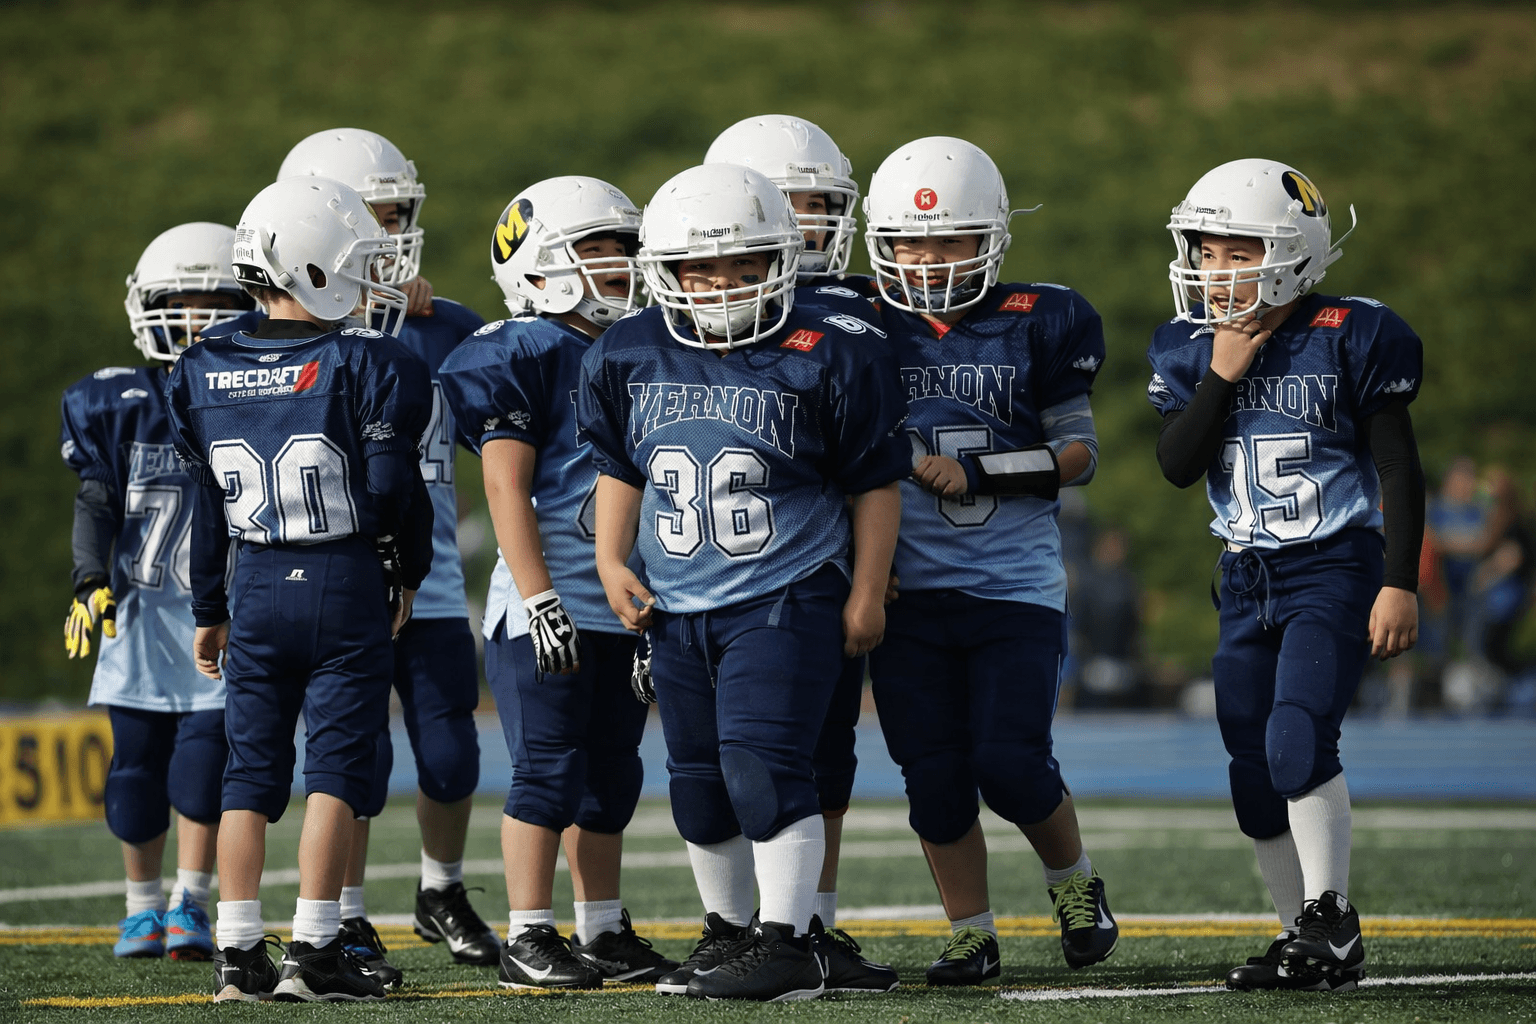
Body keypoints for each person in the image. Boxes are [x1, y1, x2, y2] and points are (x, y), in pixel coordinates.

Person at [578, 163, 909, 1002]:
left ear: (780, 262)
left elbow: (875, 483)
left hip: (786, 589)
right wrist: (611, 561)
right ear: (667, 270)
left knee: (762, 763)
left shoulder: (829, 349)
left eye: (742, 264)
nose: (721, 283)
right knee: (697, 783)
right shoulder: (628, 350)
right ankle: (727, 935)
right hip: (678, 601)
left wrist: (866, 590)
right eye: (701, 268)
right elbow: (620, 468)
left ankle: (788, 944)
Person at [204, 128, 497, 984]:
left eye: (397, 215)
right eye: (370, 218)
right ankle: (340, 921)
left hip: (405, 579)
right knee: (348, 760)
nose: (389, 235)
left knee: (445, 754)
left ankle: (434, 890)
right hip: (348, 574)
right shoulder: (272, 343)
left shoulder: (445, 329)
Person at [1147, 158, 1425, 992]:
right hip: (1245, 575)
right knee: (1250, 765)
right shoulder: (1190, 346)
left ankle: (1329, 919)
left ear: (1292, 253)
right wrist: (1223, 372)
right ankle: (1298, 934)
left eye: (1239, 253)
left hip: (1334, 564)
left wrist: (1400, 581)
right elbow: (1176, 464)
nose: (1216, 271)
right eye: (1206, 252)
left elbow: (1399, 468)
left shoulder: (1351, 332)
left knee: (1296, 736)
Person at [165, 176, 434, 1002]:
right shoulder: (370, 359)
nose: (370, 275)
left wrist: (209, 608)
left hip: (252, 579)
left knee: (249, 773)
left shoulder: (201, 365)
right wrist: (405, 571)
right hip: (340, 577)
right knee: (335, 772)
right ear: (316, 264)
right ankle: (315, 950)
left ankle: (237, 952)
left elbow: (206, 505)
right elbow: (393, 490)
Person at [861, 136, 1118, 985]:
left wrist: (982, 472)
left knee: (1009, 762)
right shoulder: (860, 325)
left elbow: (1078, 454)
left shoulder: (1041, 318)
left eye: (949, 240)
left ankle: (1074, 882)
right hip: (908, 593)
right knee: (933, 779)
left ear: (993, 237)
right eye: (909, 243)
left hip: (1012, 588)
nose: (927, 260)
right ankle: (971, 932)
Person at [438, 176, 677, 990]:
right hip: (548, 603)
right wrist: (541, 598)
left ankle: (601, 930)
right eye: (597, 249)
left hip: (623, 602)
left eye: (623, 249)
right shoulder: (521, 350)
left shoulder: (644, 346)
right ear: (539, 265)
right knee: (547, 772)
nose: (619, 265)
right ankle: (528, 935)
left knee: (612, 776)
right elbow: (505, 486)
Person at [701, 113, 897, 993]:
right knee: (732, 759)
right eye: (790, 203)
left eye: (822, 205)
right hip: (730, 571)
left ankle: (808, 927)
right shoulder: (690, 315)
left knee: (825, 757)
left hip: (834, 566)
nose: (811, 223)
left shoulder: (860, 310)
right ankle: (739, 928)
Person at [60, 223, 252, 961]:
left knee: (203, 769)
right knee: (135, 769)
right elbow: (97, 501)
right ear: (146, 306)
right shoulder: (117, 402)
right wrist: (88, 580)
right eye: (181, 303)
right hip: (139, 619)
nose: (197, 320)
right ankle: (141, 908)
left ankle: (189, 901)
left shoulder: (250, 393)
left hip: (223, 619)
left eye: (216, 305)